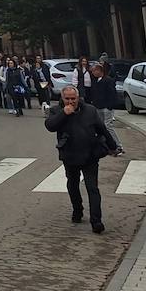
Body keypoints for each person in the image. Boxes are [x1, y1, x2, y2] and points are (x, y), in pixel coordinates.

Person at [44, 85, 119, 233]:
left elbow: (101, 128)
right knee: (73, 184)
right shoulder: (56, 110)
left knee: (93, 188)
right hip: (70, 155)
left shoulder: (90, 110)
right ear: (62, 98)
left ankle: (96, 221)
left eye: (73, 99)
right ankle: (77, 210)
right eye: (67, 99)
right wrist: (63, 114)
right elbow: (50, 126)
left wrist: (112, 146)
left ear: (78, 98)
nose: (70, 102)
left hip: (90, 155)